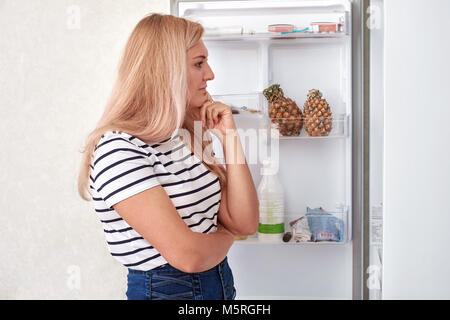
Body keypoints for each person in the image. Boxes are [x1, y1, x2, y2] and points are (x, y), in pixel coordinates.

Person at [77, 13, 259, 300]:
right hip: (167, 292)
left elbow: (245, 223)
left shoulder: (182, 135)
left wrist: (230, 138)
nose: (210, 74)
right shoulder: (119, 150)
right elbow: (188, 256)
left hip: (219, 285)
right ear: (166, 70)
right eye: (199, 64)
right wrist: (225, 237)